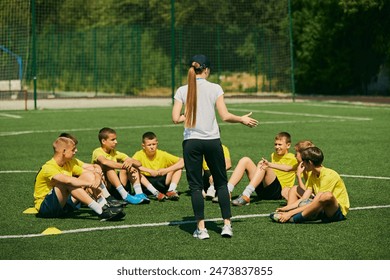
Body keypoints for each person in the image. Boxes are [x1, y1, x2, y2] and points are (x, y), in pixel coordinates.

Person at [172, 54, 258, 239]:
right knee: (221, 184)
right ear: (207, 69)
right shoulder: (215, 88)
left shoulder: (181, 90)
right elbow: (225, 116)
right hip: (212, 141)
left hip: (191, 142)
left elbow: (175, 118)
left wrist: (187, 114)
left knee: (195, 187)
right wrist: (242, 119)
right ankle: (227, 225)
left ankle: (201, 230)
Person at [34, 137, 125, 221]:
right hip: (46, 209)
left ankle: (104, 205)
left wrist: (96, 178)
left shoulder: (69, 163)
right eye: (73, 149)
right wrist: (90, 184)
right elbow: (68, 180)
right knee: (68, 182)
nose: (76, 151)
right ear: (64, 151)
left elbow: (88, 173)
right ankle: (101, 211)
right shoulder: (48, 167)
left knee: (88, 176)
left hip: (64, 206)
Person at [270, 146, 350, 223]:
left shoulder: (329, 175)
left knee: (326, 195)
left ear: (310, 163)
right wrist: (285, 209)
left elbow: (316, 202)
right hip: (322, 209)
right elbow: (304, 198)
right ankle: (289, 215)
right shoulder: (312, 174)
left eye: (303, 161)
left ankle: (293, 219)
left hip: (336, 212)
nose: (302, 164)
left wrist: (290, 213)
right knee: (304, 200)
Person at [230, 132, 298, 206]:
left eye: (280, 144)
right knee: (245, 160)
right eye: (275, 144)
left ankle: (246, 194)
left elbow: (290, 169)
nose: (277, 147)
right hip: (265, 189)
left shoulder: (293, 158)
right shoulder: (273, 155)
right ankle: (227, 191)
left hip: (279, 192)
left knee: (264, 164)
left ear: (288, 145)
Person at [59, 132, 125, 208]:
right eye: (73, 148)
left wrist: (97, 174)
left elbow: (93, 166)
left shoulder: (72, 162)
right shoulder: (53, 166)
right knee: (90, 177)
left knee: (93, 175)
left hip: (76, 195)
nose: (76, 150)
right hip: (67, 199)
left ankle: (105, 202)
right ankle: (105, 203)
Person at [91, 127, 145, 205]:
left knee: (133, 166)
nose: (116, 142)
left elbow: (139, 163)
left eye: (116, 139)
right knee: (109, 168)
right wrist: (125, 166)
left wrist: (130, 161)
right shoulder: (97, 151)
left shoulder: (115, 153)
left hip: (115, 186)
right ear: (103, 141)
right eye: (112, 140)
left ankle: (139, 194)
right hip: (103, 187)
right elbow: (104, 162)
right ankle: (124, 195)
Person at [132, 131, 184, 201]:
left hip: (162, 180)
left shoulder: (162, 154)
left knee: (178, 168)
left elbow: (183, 161)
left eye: (154, 144)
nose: (152, 147)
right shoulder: (139, 154)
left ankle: (171, 190)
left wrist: (166, 170)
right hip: (146, 183)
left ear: (157, 143)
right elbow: (131, 164)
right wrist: (149, 171)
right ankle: (155, 192)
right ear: (143, 146)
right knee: (135, 170)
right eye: (149, 145)